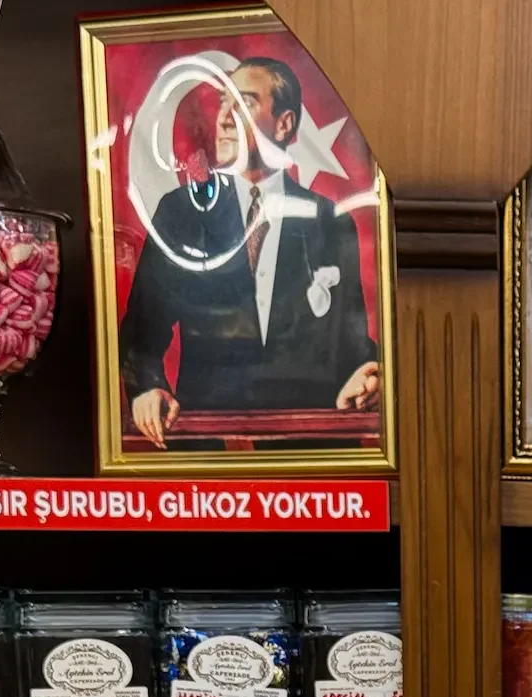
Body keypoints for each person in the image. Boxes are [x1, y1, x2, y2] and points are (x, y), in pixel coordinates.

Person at [121, 55, 378, 446]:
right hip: (208, 457)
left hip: (310, 458)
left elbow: (353, 346)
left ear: (285, 123)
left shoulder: (330, 220)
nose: (223, 117)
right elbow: (141, 336)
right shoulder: (180, 213)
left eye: (243, 103)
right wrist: (147, 389)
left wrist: (366, 375)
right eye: (223, 102)